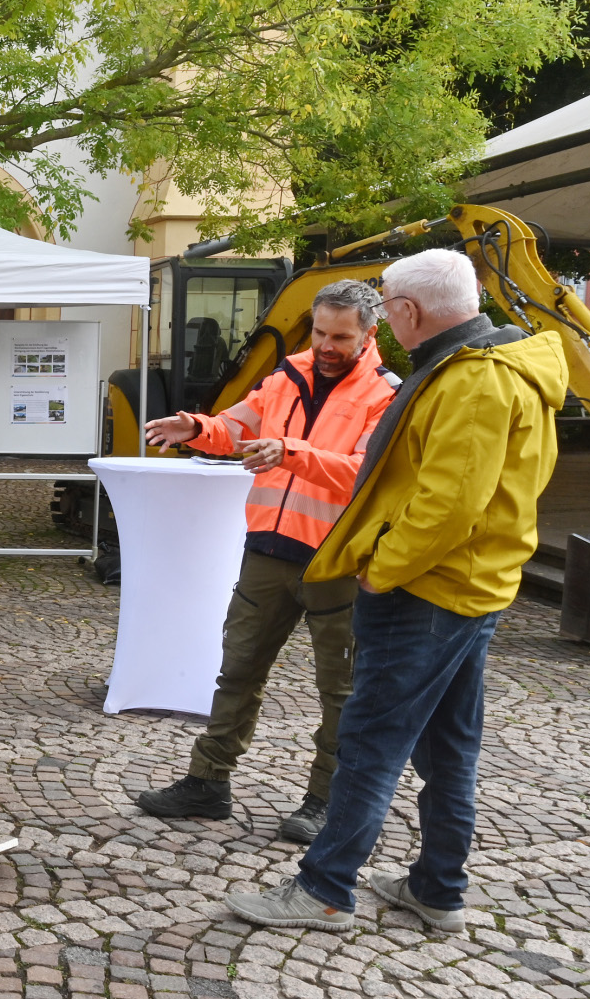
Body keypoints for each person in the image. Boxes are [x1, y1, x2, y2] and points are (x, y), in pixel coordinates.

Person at [225, 249, 566, 934]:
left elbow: (448, 504)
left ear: (407, 312)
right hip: (464, 587)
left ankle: (324, 889)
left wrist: (382, 568)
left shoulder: (474, 381)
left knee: (371, 741)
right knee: (448, 746)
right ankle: (437, 888)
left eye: (387, 306)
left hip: (429, 592)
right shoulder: (489, 369)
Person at [135, 281, 399, 843]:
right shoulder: (285, 376)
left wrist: (293, 453)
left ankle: (326, 801)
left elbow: (367, 472)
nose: (327, 345)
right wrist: (196, 428)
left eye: (340, 337)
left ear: (369, 334)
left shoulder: (387, 395)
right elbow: (237, 427)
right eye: (321, 333)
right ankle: (207, 784)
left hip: (336, 562)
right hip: (267, 553)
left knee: (341, 691)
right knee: (237, 671)